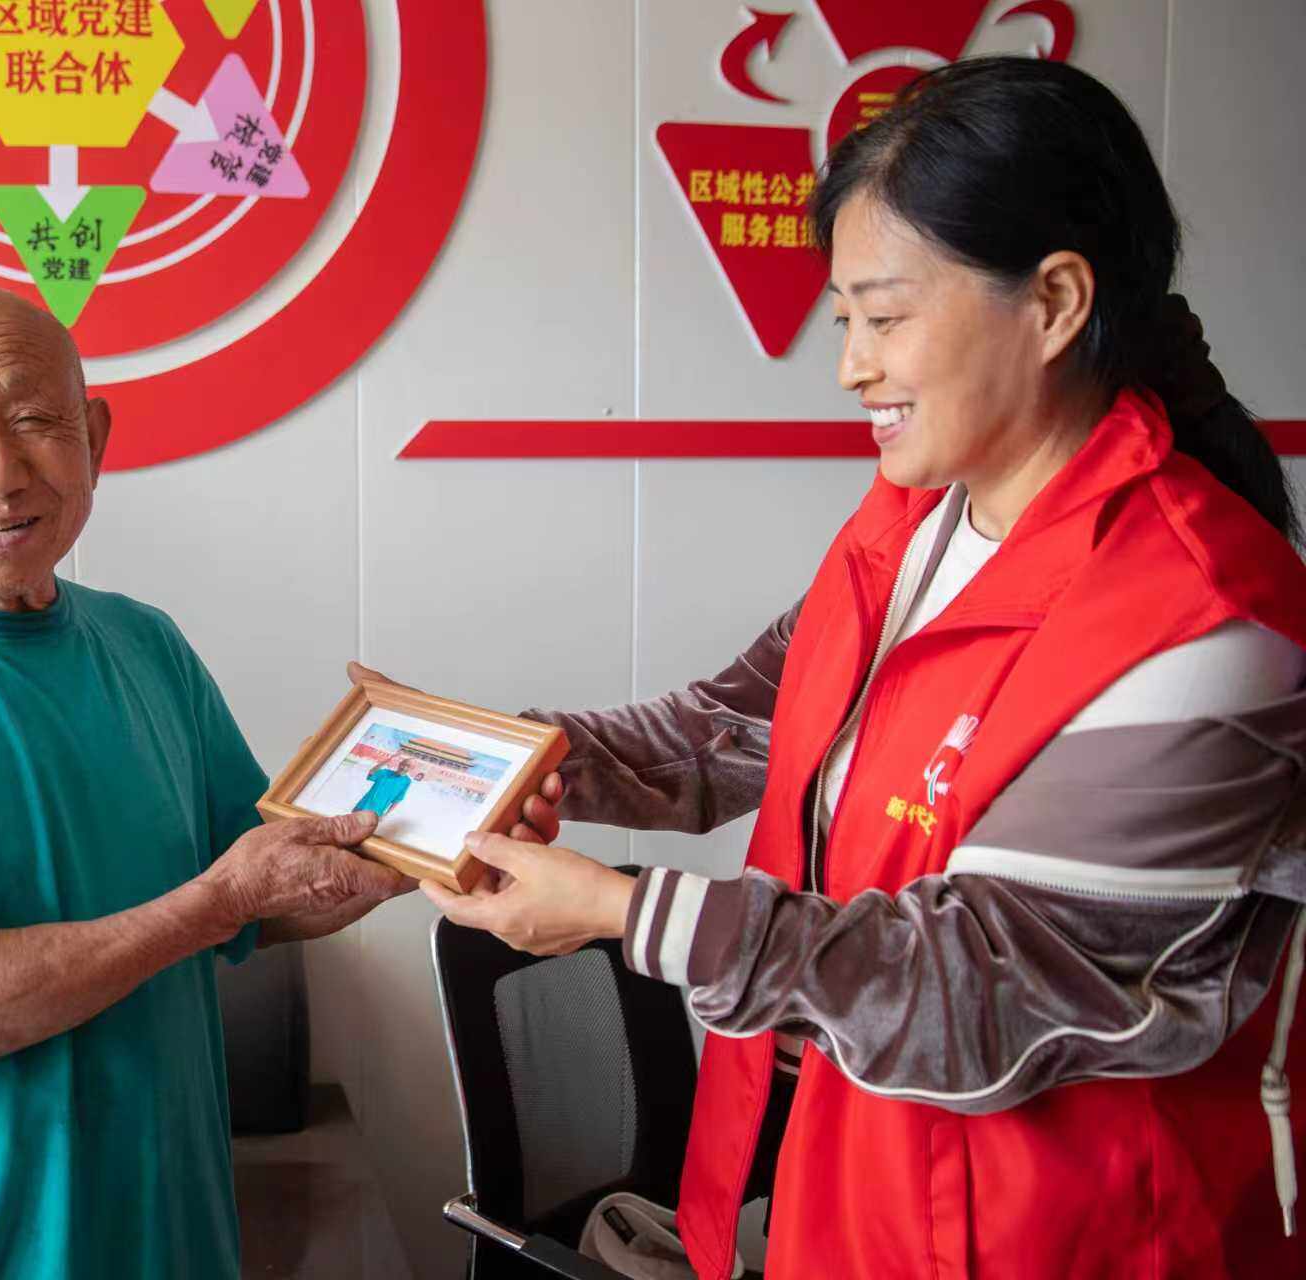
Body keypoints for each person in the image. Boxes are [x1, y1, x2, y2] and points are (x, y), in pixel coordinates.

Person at [409, 57, 1306, 1279]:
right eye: (844, 323)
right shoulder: (913, 526)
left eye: (884, 319)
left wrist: (623, 912)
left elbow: (973, 981)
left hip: (1068, 1239)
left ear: (1053, 302)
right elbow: (731, 730)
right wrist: (488, 763)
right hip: (856, 1198)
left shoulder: (1202, 626)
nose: (852, 369)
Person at [0, 285, 408, 1280]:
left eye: (32, 420)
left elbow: (263, 888)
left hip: (170, 1241)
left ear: (92, 439)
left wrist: (418, 831)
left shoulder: (145, 641)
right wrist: (219, 900)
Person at [355, 751, 420, 818]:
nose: (404, 768)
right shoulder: (385, 773)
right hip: (363, 807)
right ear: (399, 764)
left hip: (376, 814)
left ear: (412, 769)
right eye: (403, 764)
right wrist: (389, 760)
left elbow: (397, 800)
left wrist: (386, 815)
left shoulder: (407, 782)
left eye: (408, 766)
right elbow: (371, 772)